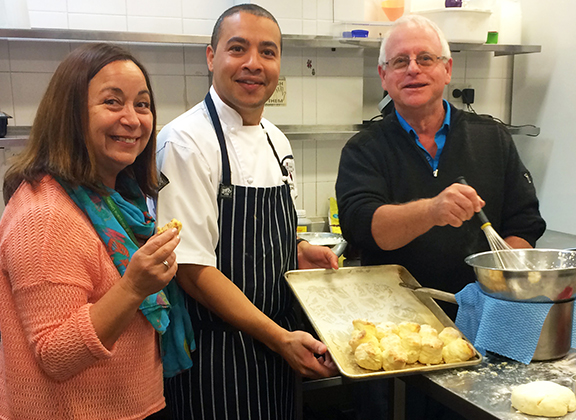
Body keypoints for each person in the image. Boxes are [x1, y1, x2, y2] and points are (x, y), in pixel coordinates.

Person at [335, 15, 546, 420]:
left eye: (425, 58)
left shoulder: (492, 139)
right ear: (384, 75)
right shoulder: (365, 149)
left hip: (484, 330)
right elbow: (366, 226)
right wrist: (432, 210)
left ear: (447, 69)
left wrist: (500, 285)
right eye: (400, 61)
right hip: (397, 339)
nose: (413, 68)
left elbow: (523, 225)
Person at [154, 4, 339, 419]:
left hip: (276, 347)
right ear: (211, 56)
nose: (254, 64)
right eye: (238, 49)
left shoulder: (277, 140)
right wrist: (278, 338)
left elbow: (267, 234)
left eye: (268, 52)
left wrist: (298, 249)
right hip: (215, 357)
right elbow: (191, 270)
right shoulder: (185, 142)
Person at [0, 43, 179, 419]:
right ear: (70, 115)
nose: (132, 119)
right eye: (112, 103)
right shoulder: (45, 215)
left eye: (142, 104)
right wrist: (133, 287)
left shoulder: (114, 201)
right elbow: (55, 354)